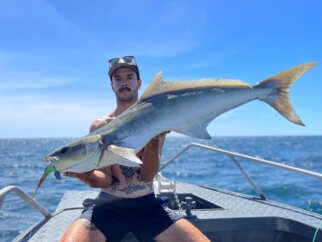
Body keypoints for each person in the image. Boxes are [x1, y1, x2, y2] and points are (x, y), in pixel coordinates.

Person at [60, 56, 210, 242]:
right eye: (117, 78)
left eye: (129, 77)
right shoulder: (100, 127)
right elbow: (106, 180)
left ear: (139, 83)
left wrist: (154, 141)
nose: (123, 82)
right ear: (112, 86)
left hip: (148, 205)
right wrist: (86, 175)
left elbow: (147, 176)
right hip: (108, 207)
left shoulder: (156, 119)